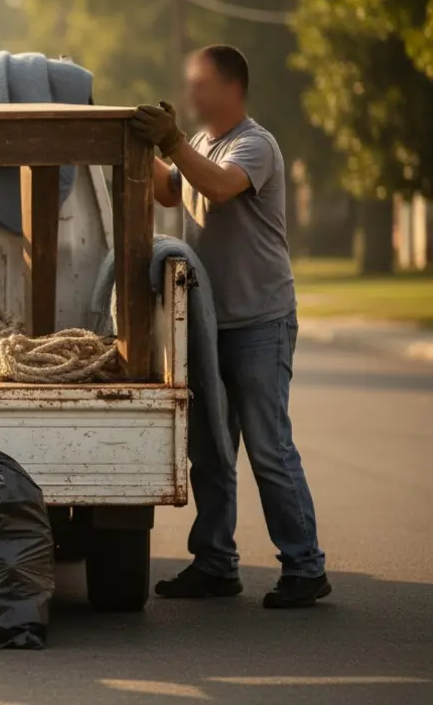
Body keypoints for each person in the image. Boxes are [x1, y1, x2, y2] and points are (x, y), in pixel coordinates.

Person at [131, 45, 329, 609]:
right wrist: (137, 143)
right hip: (213, 324)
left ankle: (305, 566)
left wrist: (169, 144)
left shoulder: (253, 144)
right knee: (213, 452)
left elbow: (217, 187)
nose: (191, 95)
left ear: (232, 88)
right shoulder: (198, 144)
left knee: (268, 448)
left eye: (201, 84)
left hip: (261, 322)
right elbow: (172, 188)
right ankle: (216, 564)